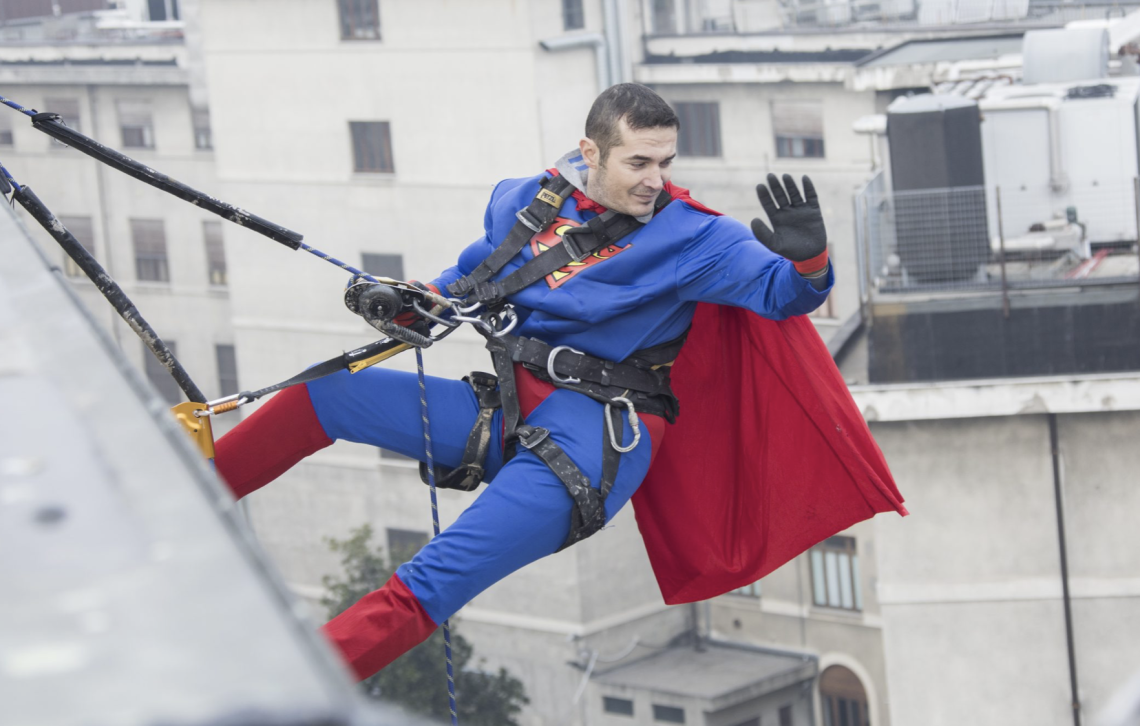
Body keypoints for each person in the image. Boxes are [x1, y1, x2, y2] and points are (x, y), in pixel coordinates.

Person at [214, 83, 905, 681]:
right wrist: (408, 301)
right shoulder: (529, 205)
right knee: (326, 395)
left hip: (594, 443)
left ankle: (289, 688)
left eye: (665, 162)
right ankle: (191, 493)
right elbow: (466, 284)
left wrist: (809, 261)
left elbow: (784, 295)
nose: (654, 179)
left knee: (428, 581)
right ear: (592, 152)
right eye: (638, 162)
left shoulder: (698, 238)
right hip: (516, 413)